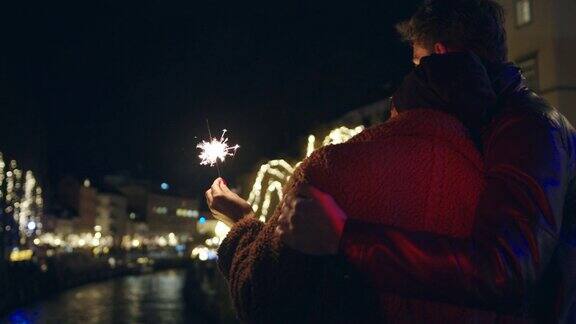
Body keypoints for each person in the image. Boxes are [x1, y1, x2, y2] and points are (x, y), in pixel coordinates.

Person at [276, 0, 576, 323]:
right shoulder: (494, 121)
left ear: (441, 56)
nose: (417, 78)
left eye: (419, 64)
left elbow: (503, 267)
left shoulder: (530, 126)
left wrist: (345, 238)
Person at [207, 49, 505, 321]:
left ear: (398, 104)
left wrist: (241, 224)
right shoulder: (500, 182)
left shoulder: (329, 170)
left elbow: (261, 296)